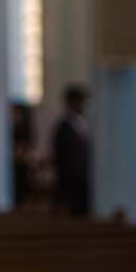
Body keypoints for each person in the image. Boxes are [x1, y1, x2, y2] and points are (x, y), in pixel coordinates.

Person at [52, 83, 91, 216]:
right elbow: (72, 165)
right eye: (83, 101)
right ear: (73, 101)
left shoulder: (79, 126)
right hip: (73, 194)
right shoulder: (64, 131)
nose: (86, 105)